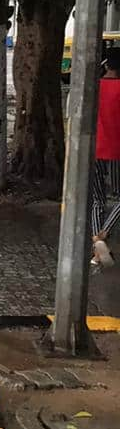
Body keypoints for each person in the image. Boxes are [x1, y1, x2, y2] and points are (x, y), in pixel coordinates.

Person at [92, 47, 120, 265]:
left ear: (106, 65)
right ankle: (103, 234)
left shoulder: (93, 88)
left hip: (93, 150)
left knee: (97, 201)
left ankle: (96, 244)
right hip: (116, 151)